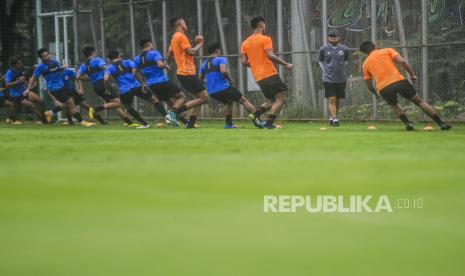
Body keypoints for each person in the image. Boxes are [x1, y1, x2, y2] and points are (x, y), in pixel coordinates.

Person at [360, 41, 451, 131]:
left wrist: (376, 94)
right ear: (375, 46)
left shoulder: (365, 64)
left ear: (365, 52)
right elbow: (402, 61)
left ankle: (408, 124)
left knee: (394, 105)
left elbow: (369, 85)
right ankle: (441, 124)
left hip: (384, 87)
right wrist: (412, 74)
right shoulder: (387, 50)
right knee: (419, 101)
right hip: (399, 81)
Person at [241, 16, 293, 129]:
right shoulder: (265, 39)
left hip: (258, 77)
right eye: (264, 25)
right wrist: (285, 64)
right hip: (269, 73)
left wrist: (255, 63)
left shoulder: (245, 43)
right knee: (281, 99)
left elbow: (244, 62)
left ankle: (254, 115)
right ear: (261, 25)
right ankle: (269, 124)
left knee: (271, 100)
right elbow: (270, 55)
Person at [199, 42, 263, 129]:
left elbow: (200, 79)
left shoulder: (204, 64)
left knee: (229, 102)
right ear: (217, 51)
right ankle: (258, 121)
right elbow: (223, 71)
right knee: (243, 100)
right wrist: (230, 80)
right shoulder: (220, 59)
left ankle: (228, 124)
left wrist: (211, 83)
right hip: (223, 88)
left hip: (211, 91)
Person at [25, 49, 95, 127]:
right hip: (54, 89)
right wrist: (28, 89)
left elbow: (59, 70)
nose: (47, 56)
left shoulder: (54, 62)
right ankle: (83, 122)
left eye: (47, 54)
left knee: (70, 103)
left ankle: (50, 113)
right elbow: (34, 78)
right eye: (44, 56)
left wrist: (64, 68)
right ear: (41, 58)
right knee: (71, 104)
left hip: (62, 86)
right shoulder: (40, 67)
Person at [76, 46, 135, 126]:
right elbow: (105, 67)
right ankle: (95, 109)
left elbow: (78, 77)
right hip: (103, 84)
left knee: (114, 104)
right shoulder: (97, 60)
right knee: (118, 102)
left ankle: (129, 122)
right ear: (93, 52)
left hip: (96, 86)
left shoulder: (83, 65)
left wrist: (90, 79)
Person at [168, 17, 208, 128]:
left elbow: (169, 56)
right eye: (184, 22)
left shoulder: (174, 38)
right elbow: (192, 51)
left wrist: (179, 57)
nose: (186, 24)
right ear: (180, 23)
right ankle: (173, 114)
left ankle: (190, 124)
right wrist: (200, 43)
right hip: (187, 72)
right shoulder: (181, 36)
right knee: (204, 98)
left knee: (199, 99)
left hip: (182, 73)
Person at [134, 39, 185, 126]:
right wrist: (165, 65)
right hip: (162, 81)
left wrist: (143, 83)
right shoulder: (154, 53)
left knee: (169, 101)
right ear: (149, 44)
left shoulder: (137, 58)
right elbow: (159, 65)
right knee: (182, 97)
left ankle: (184, 122)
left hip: (151, 84)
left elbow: (134, 72)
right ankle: (171, 115)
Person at [104, 49, 154, 129]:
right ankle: (168, 115)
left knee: (128, 107)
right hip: (136, 86)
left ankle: (145, 124)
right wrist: (142, 82)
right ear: (119, 55)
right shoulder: (127, 62)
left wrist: (107, 89)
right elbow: (136, 69)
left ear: (110, 59)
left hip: (124, 91)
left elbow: (106, 79)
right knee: (153, 99)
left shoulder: (110, 67)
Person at [5, 56, 53, 124]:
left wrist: (33, 69)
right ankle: (44, 121)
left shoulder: (21, 70)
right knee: (31, 105)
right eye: (19, 64)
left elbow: (27, 75)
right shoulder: (9, 72)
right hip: (16, 95)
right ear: (14, 65)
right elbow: (7, 85)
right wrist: (19, 81)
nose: (21, 65)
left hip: (24, 91)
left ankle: (45, 117)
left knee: (41, 101)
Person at [319, 29, 349, 127]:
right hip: (328, 78)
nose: (333, 38)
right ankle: (335, 119)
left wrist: (342, 71)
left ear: (338, 37)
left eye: (335, 36)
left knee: (338, 99)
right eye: (331, 36)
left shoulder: (344, 49)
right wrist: (325, 71)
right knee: (332, 98)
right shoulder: (323, 49)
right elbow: (320, 61)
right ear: (328, 38)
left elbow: (346, 61)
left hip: (341, 79)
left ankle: (332, 117)